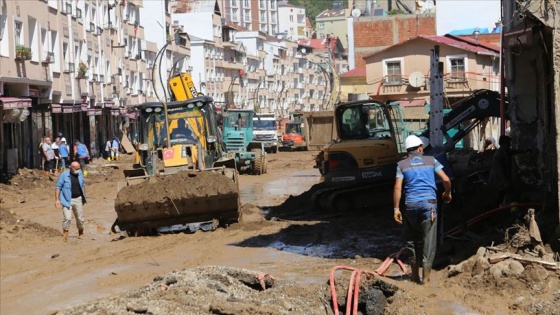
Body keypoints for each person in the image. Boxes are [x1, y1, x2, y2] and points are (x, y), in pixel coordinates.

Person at [393, 135, 452, 284]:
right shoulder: (431, 160)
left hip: (410, 206)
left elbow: (398, 187)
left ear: (407, 150)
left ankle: (414, 276)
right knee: (428, 241)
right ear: (420, 148)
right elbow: (446, 179)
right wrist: (447, 193)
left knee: (411, 240)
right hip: (429, 205)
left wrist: (396, 209)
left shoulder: (402, 164)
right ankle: (425, 280)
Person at [487, 135, 531, 206]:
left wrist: (525, 150)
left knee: (505, 195)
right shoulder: (498, 155)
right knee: (498, 197)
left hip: (503, 181)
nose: (510, 145)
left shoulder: (506, 151)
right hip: (497, 182)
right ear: (504, 144)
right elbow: (499, 171)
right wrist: (505, 182)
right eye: (508, 143)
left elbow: (514, 151)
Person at [55, 161, 87, 242]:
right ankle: (65, 235)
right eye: (76, 169)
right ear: (71, 168)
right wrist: (57, 199)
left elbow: (83, 186)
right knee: (67, 218)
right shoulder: (64, 175)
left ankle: (81, 233)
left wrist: (84, 196)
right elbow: (58, 187)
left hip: (78, 199)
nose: (78, 170)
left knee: (80, 218)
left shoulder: (80, 174)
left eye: (79, 168)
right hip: (66, 200)